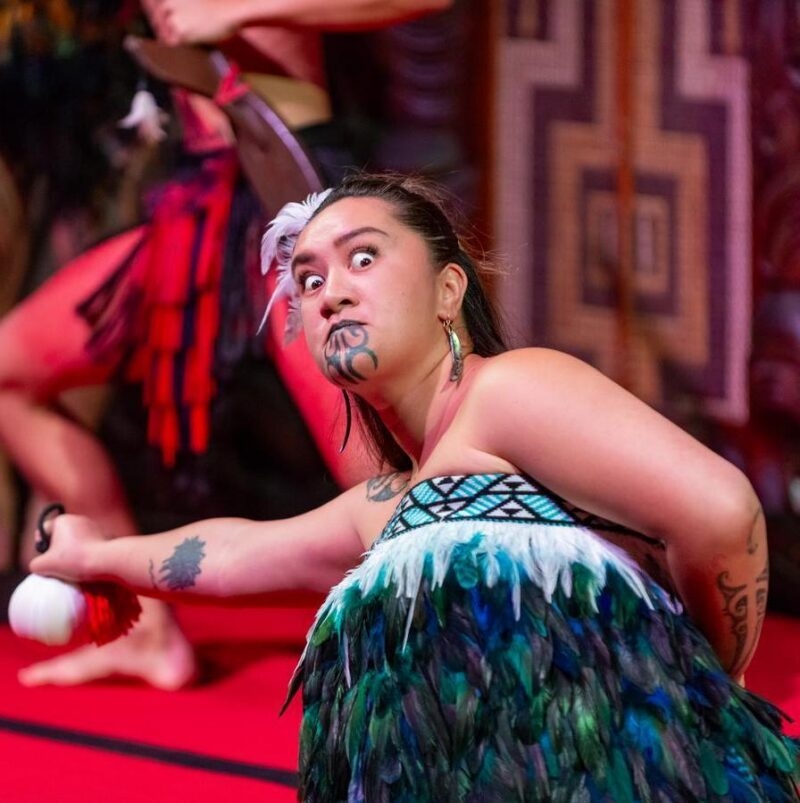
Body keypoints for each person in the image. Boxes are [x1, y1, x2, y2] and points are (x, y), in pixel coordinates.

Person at [30, 174, 799, 800]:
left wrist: (706, 691)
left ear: (448, 289)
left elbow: (720, 512)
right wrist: (94, 553)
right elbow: (232, 555)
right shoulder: (392, 505)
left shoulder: (507, 392)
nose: (329, 291)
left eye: (362, 258)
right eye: (309, 278)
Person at [0, 0, 453, 689]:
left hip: (288, 196)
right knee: (12, 372)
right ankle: (146, 631)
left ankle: (465, 649)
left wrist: (237, 9)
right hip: (196, 199)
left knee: (375, 462)